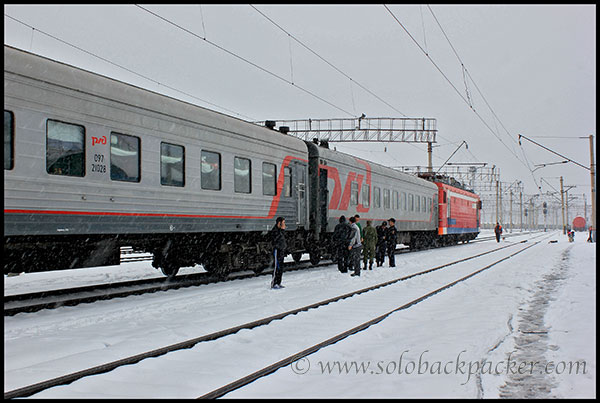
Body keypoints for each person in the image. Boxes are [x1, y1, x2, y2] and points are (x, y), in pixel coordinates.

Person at [270, 216, 287, 289]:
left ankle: (279, 282)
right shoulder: (275, 231)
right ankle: (274, 283)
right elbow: (276, 240)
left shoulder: (280, 231)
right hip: (277, 250)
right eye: (283, 223)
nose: (284, 225)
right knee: (277, 267)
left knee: (281, 267)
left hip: (281, 250)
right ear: (279, 223)